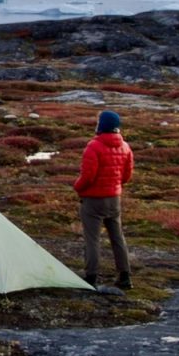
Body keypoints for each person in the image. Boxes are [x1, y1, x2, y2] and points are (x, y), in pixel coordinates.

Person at [73, 110, 134, 289]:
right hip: (114, 199)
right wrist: (114, 186)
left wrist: (77, 187)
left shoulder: (93, 146)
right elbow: (127, 176)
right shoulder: (125, 147)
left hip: (93, 200)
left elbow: (88, 176)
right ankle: (125, 276)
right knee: (117, 237)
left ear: (101, 125)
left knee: (92, 239)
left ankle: (91, 277)